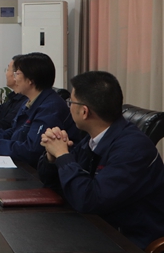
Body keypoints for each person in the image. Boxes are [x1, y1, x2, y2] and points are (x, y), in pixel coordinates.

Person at [38, 71, 164, 250]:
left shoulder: (133, 148)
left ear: (84, 111)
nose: (68, 107)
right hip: (94, 227)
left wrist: (63, 156)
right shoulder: (96, 137)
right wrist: (52, 157)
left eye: (70, 102)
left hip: (127, 239)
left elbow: (89, 201)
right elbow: (55, 184)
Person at [0, 52, 78, 167]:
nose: (15, 79)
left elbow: (32, 150)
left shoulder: (50, 107)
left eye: (17, 74)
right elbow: (16, 131)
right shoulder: (30, 101)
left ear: (31, 80)